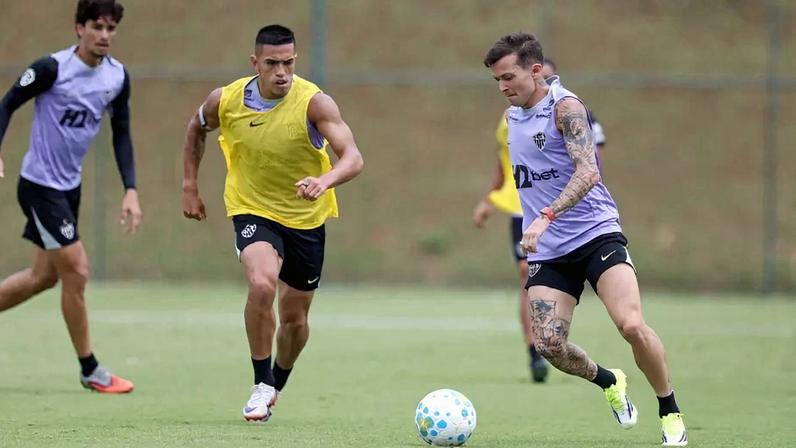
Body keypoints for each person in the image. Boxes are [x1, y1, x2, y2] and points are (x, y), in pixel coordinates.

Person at [483, 32, 687, 446]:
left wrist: (544, 217)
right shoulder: (512, 118)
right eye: (497, 81)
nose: (503, 87)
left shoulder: (567, 108)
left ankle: (669, 410)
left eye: (509, 77)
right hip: (552, 252)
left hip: (596, 235)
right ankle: (610, 381)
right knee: (549, 345)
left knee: (630, 325)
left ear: (535, 70)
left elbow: (588, 171)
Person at [181, 24, 364, 422]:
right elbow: (196, 128)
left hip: (306, 217)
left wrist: (325, 179)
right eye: (273, 63)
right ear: (255, 63)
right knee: (262, 282)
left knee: (296, 319)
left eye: (289, 63)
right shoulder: (225, 100)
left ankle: (278, 380)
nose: (282, 72)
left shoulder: (315, 103)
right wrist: (190, 184)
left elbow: (353, 157)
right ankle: (261, 381)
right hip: (252, 208)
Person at [0, 0, 138, 394]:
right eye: (97, 26)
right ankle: (90, 369)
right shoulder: (51, 69)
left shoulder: (116, 78)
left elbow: (122, 133)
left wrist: (131, 189)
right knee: (76, 271)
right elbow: (7, 103)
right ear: (79, 28)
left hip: (68, 189)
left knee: (43, 277)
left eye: (111, 29)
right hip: (39, 186)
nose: (105, 36)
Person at [472, 112, 549, 383]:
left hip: (558, 207)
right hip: (522, 210)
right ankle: (534, 352)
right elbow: (504, 163)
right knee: (528, 273)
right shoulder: (506, 119)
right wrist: (489, 199)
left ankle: (556, 342)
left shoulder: (560, 113)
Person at [541, 59, 607, 167]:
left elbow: (594, 155)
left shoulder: (570, 108)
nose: (542, 83)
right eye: (538, 79)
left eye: (547, 78)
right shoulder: (517, 114)